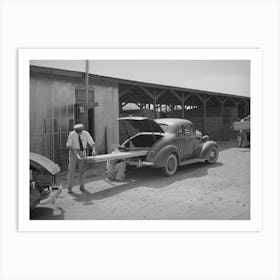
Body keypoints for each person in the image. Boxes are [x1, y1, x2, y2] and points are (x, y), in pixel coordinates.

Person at [66, 124, 96, 193]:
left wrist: (93, 150)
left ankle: (82, 187)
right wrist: (76, 153)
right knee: (71, 170)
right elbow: (68, 145)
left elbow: (92, 143)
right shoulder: (72, 134)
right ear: (75, 130)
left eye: (79, 131)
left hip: (82, 151)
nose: (77, 132)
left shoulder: (86, 134)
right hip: (73, 151)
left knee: (82, 170)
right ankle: (69, 188)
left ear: (82, 130)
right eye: (76, 131)